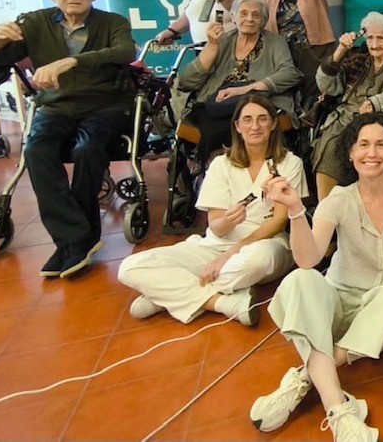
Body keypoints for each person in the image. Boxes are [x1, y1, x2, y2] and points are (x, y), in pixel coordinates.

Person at [251, 113, 383, 442]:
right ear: (350, 153)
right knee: (299, 280)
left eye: (381, 144)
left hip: (381, 308)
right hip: (336, 302)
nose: (372, 153)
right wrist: (295, 209)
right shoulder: (338, 198)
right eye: (363, 144)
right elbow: (308, 259)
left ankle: (306, 373)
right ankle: (339, 411)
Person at [0, 0, 134, 278]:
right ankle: (76, 239)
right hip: (55, 106)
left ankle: (76, 242)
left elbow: (124, 51)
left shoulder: (112, 22)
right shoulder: (34, 22)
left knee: (88, 149)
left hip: (105, 105)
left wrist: (73, 60)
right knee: (36, 151)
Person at [118, 95, 301, 325]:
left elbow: (277, 222)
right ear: (237, 126)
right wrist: (228, 221)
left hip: (264, 246)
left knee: (257, 260)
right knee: (129, 267)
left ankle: (166, 296)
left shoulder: (289, 163)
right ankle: (220, 302)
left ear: (273, 124)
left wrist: (229, 254)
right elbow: (216, 227)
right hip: (213, 246)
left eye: (263, 119)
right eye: (248, 119)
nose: (255, 126)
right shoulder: (221, 164)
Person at [175, 0, 302, 161]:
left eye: (256, 15)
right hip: (218, 102)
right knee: (209, 125)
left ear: (263, 20)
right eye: (243, 14)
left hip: (259, 100)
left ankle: (237, 169)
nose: (249, 19)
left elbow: (290, 73)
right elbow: (187, 82)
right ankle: (215, 172)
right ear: (233, 17)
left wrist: (248, 88)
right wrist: (212, 47)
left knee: (234, 126)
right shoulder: (223, 41)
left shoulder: (275, 43)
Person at [311, 12, 383, 198]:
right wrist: (339, 53)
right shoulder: (359, 59)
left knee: (363, 147)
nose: (374, 44)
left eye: (381, 38)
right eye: (370, 37)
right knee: (330, 144)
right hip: (346, 117)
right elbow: (328, 86)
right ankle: (325, 208)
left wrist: (377, 101)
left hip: (381, 119)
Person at [260, 0, 335, 102]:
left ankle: (314, 126)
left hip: (313, 50)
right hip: (283, 53)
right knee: (286, 94)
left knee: (316, 94)